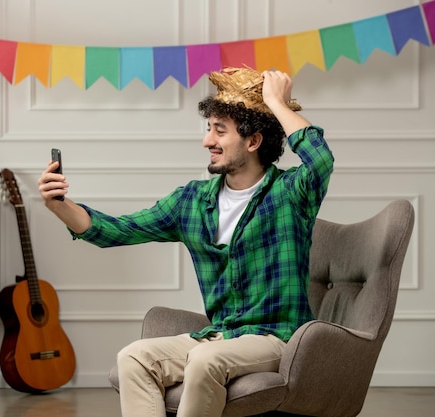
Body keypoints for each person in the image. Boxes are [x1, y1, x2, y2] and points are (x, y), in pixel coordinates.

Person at [37, 67, 334, 417]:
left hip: (276, 338)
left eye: (219, 131)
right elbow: (116, 230)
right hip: (221, 335)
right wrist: (59, 206)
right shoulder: (191, 202)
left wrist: (274, 102)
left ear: (252, 141)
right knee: (133, 357)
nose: (207, 141)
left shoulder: (291, 193)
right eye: (209, 129)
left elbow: (320, 159)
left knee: (206, 360)